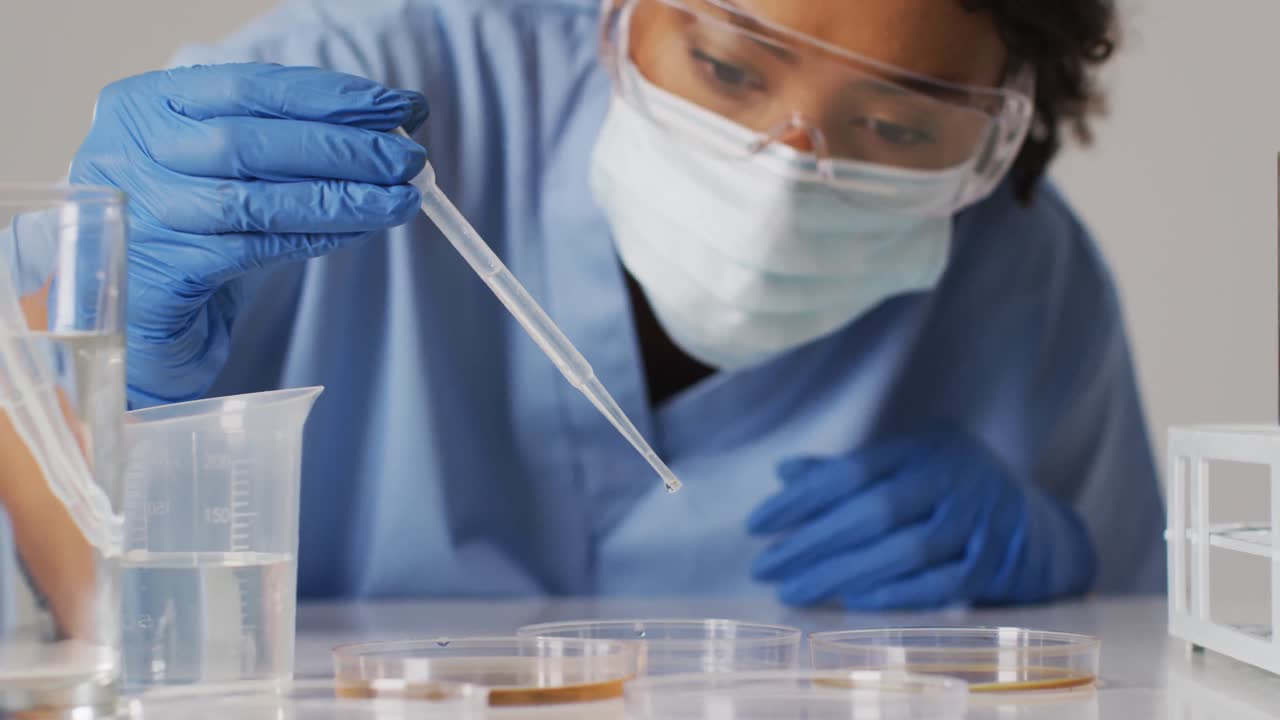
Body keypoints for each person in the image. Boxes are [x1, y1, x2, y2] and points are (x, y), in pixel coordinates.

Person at [46, 0, 1165, 607]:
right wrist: (94, 366)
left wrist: (1066, 576)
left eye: (899, 127)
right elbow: (53, 595)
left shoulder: (1025, 275)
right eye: (728, 66)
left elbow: (1140, 648)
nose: (783, 174)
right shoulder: (344, 105)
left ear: (998, 131)